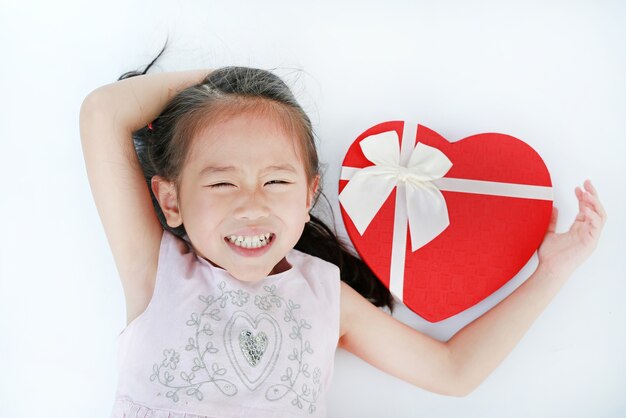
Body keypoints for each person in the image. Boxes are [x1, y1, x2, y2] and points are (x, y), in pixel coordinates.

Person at [79, 46, 607, 418]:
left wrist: (551, 274)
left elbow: (454, 372)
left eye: (276, 181)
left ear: (309, 196)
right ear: (171, 200)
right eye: (221, 183)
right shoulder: (158, 269)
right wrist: (229, 81)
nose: (252, 205)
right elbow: (103, 111)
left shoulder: (325, 295)